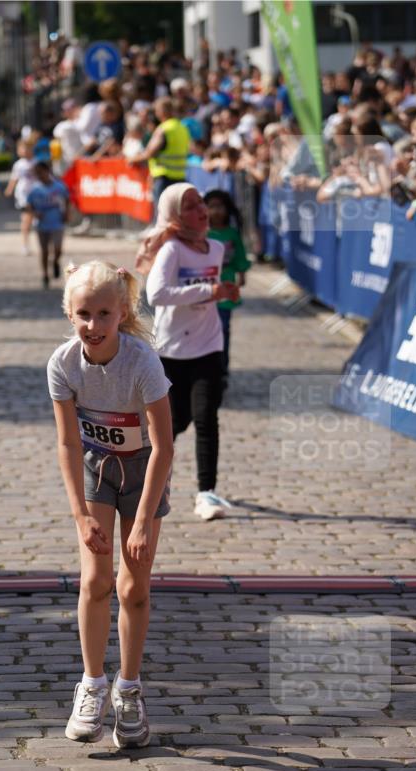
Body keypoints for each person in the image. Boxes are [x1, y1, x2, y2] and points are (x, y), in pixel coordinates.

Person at [47, 261, 173, 748]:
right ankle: (92, 684)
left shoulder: (142, 363)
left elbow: (163, 446)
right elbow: (67, 444)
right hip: (99, 470)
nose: (93, 326)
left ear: (122, 312)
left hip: (144, 472)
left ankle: (130, 690)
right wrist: (79, 514)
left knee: (133, 586)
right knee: (95, 580)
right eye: (83, 314)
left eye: (103, 314)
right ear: (69, 313)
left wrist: (142, 521)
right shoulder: (63, 363)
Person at [137, 183, 239, 521]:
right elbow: (156, 294)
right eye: (191, 205)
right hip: (172, 350)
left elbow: (213, 290)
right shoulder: (172, 250)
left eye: (201, 203)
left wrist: (226, 291)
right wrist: (207, 290)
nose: (201, 210)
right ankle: (143, 467)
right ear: (175, 217)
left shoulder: (217, 247)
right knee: (175, 421)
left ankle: (206, 492)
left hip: (209, 344)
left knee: (207, 416)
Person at [203, 189, 250, 383]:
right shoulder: (202, 234)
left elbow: (240, 254)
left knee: (223, 328)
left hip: (226, 284)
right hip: (205, 287)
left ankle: (222, 368)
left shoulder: (231, 234)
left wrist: (242, 272)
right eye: (211, 206)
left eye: (220, 206)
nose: (216, 211)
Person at [126, 97, 191, 217]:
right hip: (180, 177)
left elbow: (150, 152)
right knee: (176, 215)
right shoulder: (182, 128)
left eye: (156, 110)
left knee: (163, 215)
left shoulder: (164, 129)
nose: (155, 114)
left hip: (164, 177)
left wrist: (132, 159)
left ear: (162, 111)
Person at [26, 160, 69, 289]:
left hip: (57, 222)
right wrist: (34, 214)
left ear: (47, 171)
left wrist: (66, 213)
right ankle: (45, 274)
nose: (40, 175)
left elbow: (67, 200)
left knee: (58, 248)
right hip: (42, 224)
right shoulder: (34, 189)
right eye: (37, 173)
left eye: (41, 172)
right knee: (44, 250)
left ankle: (55, 261)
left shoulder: (59, 187)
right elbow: (28, 205)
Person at [5, 138, 35, 256]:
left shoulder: (36, 162)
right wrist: (9, 189)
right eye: (22, 148)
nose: (25, 151)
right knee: (26, 218)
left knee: (35, 220)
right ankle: (25, 244)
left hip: (37, 195)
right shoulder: (18, 164)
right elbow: (14, 178)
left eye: (28, 148)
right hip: (23, 195)